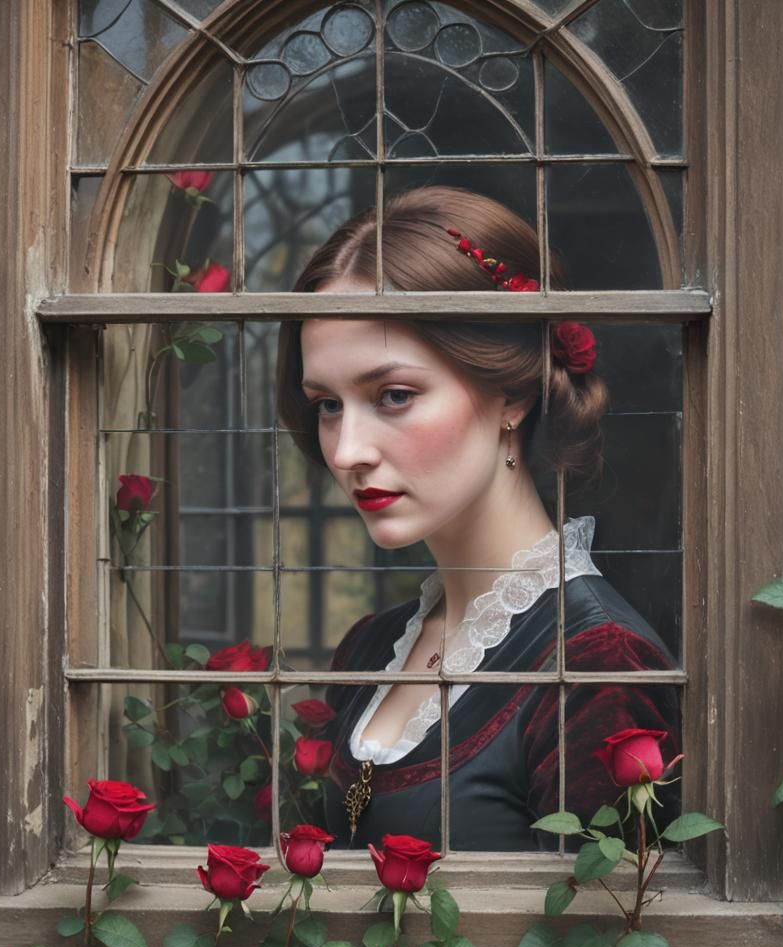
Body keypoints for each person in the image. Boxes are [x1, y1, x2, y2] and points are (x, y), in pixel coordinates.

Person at [276, 186, 679, 851]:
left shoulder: (595, 665)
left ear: (512, 393)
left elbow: (600, 936)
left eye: (394, 395)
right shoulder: (372, 649)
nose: (347, 451)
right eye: (326, 404)